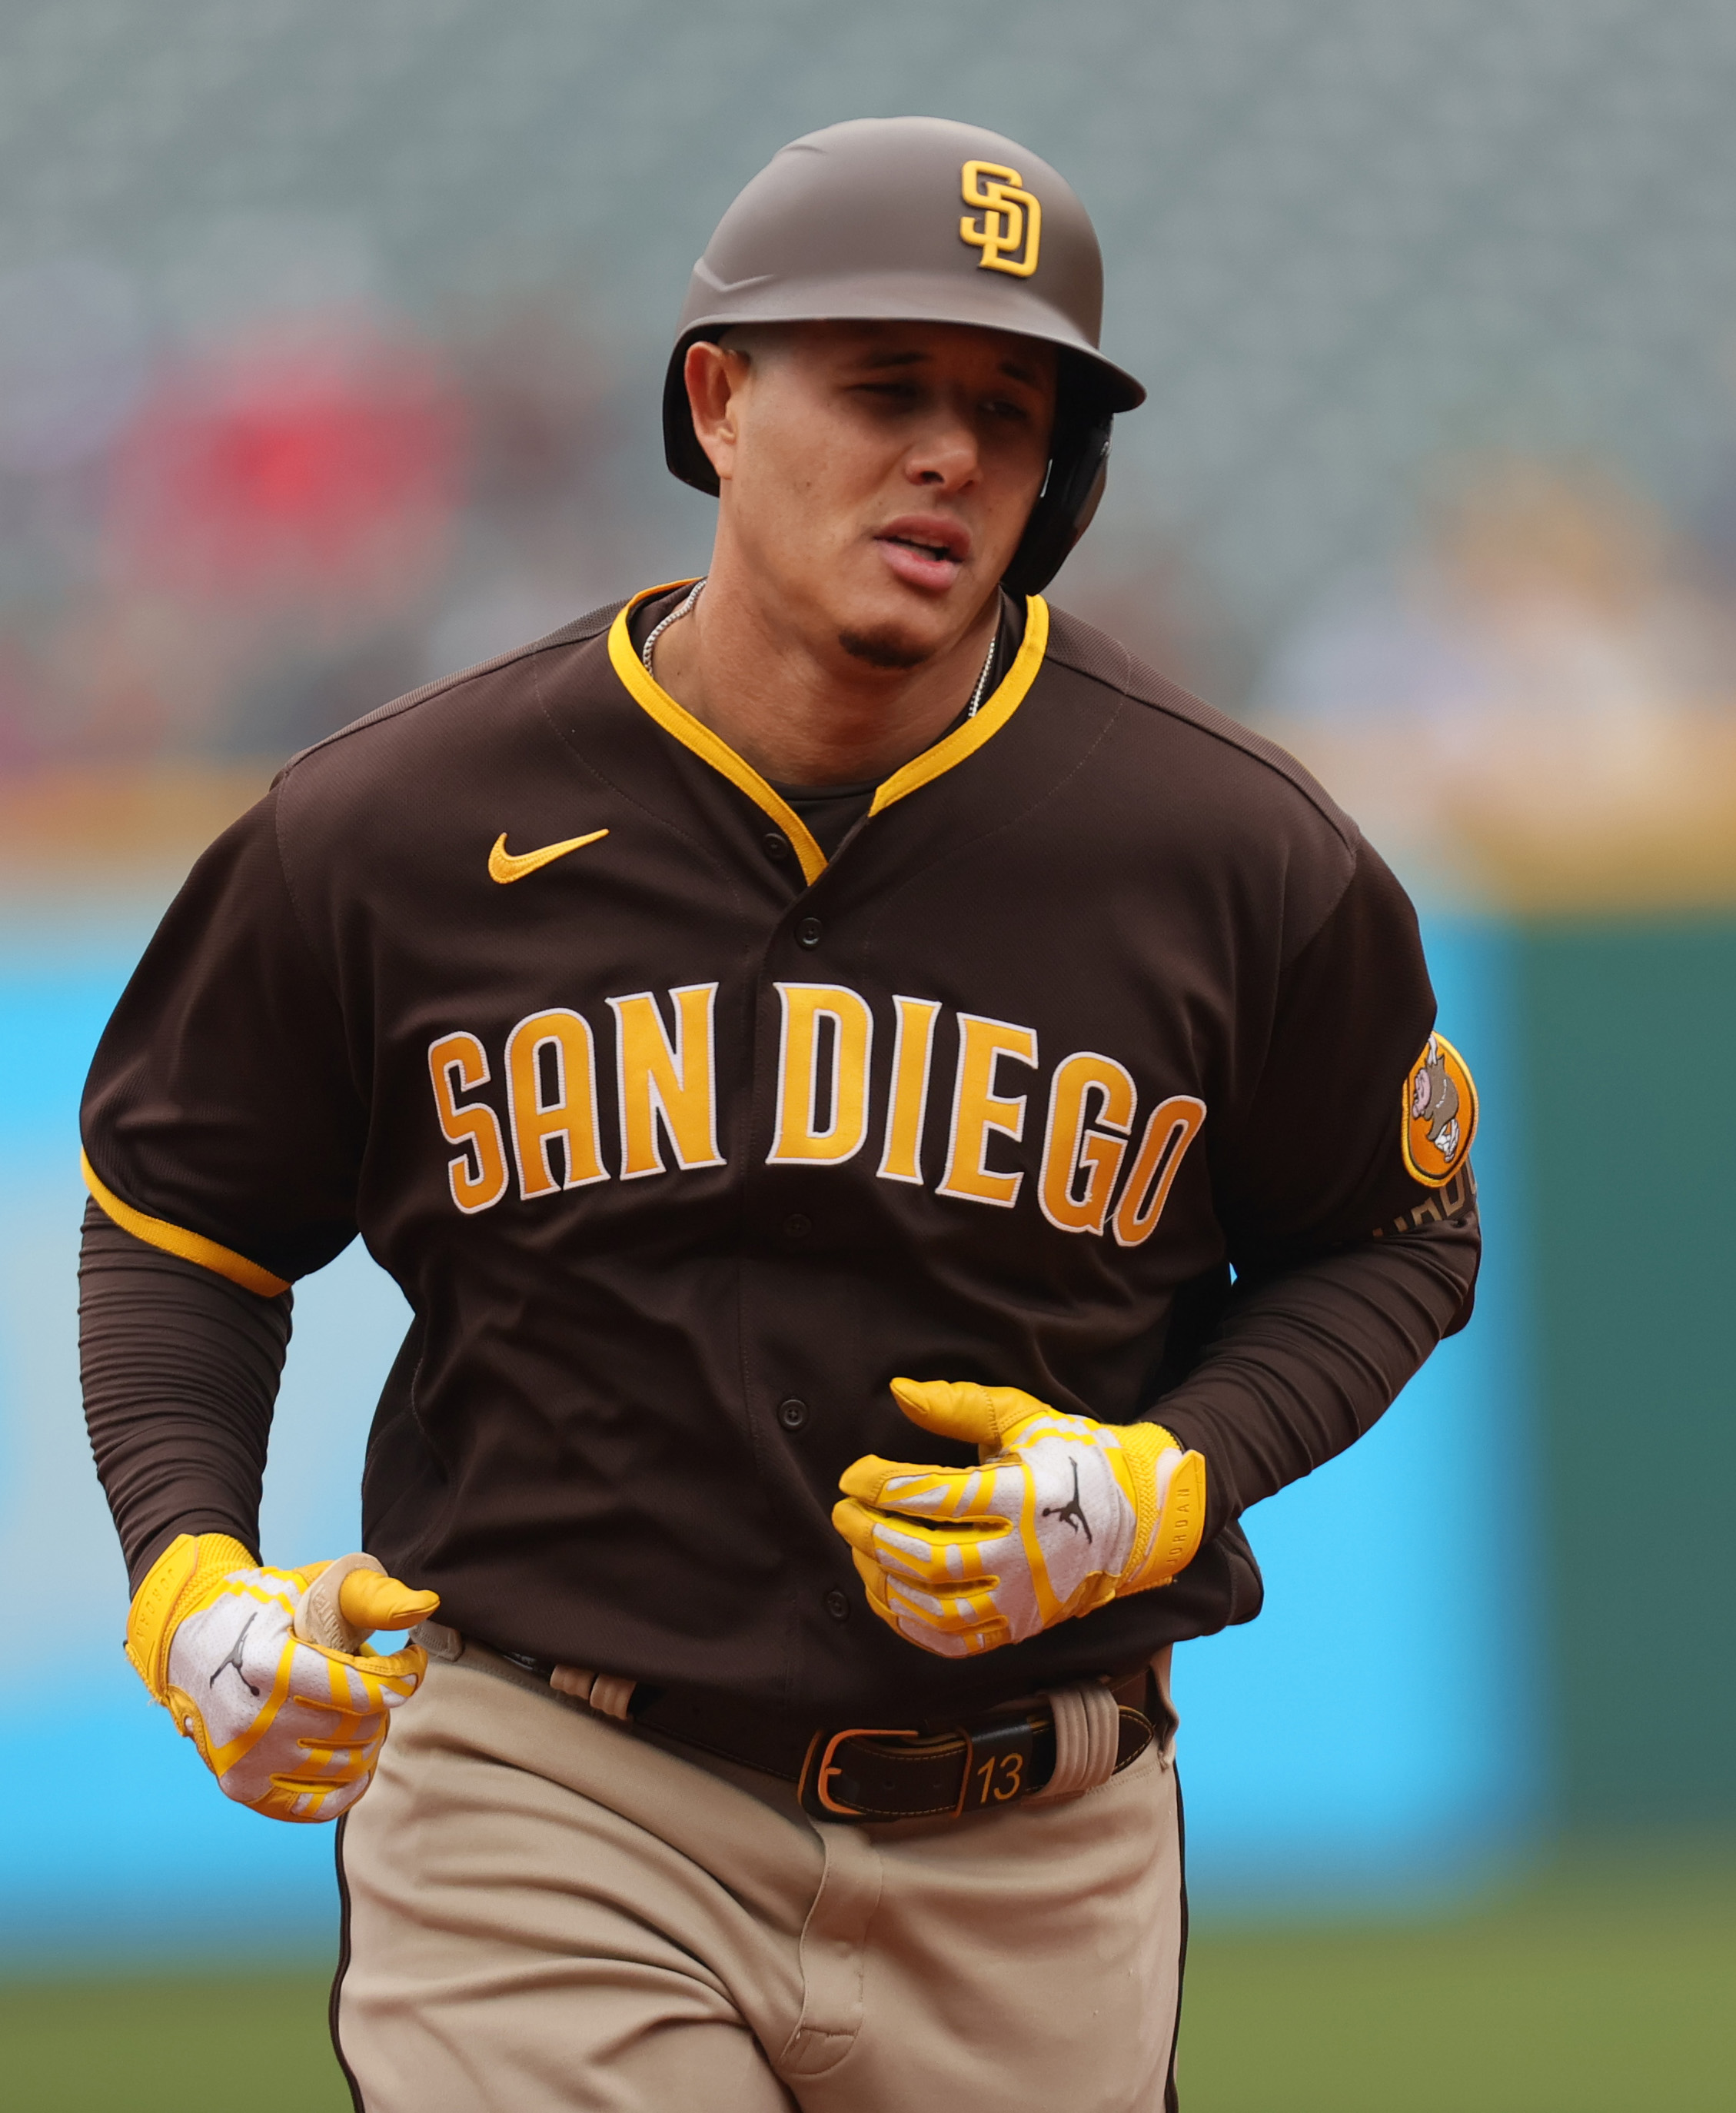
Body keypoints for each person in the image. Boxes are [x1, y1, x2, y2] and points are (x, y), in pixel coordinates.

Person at [78, 116, 1481, 2113]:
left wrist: (1172, 1472)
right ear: (718, 402)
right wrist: (186, 1563)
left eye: (1013, 410)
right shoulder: (390, 827)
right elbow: (179, 1221)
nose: (953, 454)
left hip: (1035, 1844)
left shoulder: (1225, 852)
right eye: (888, 384)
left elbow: (1395, 1235)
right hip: (556, 1800)